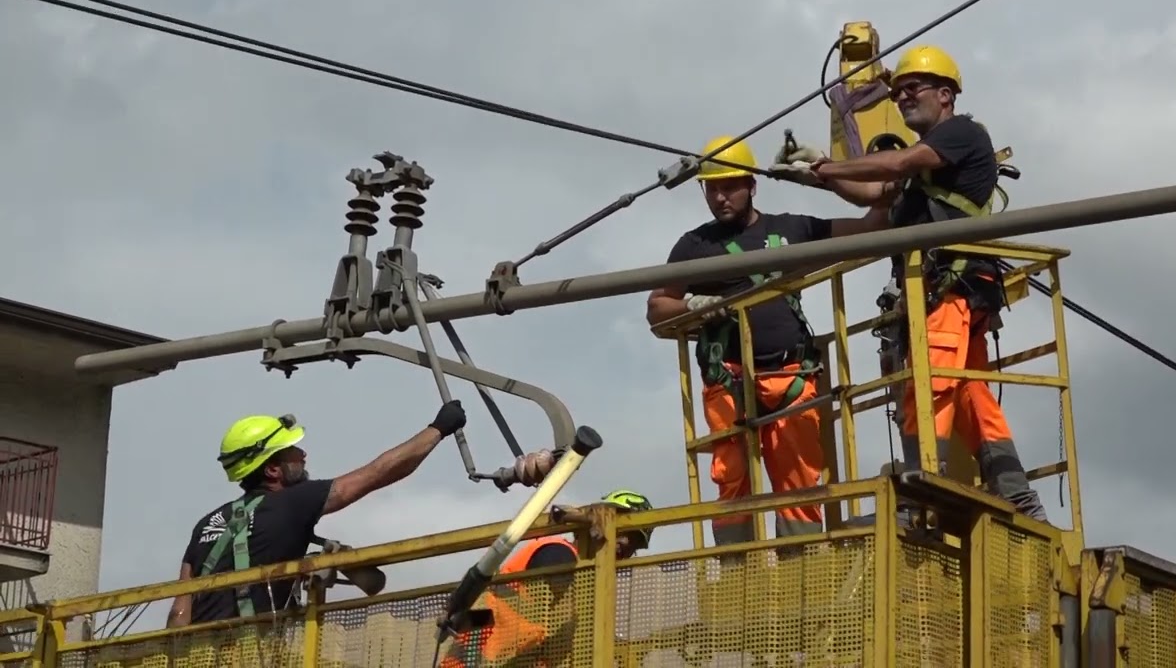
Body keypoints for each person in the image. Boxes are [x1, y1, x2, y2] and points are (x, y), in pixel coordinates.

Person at [771, 44, 1048, 521]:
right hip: (951, 291)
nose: (902, 97)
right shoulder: (926, 168)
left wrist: (824, 167)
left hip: (948, 290)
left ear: (946, 94)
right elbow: (875, 197)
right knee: (970, 395)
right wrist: (814, 177)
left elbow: (894, 166)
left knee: (929, 387)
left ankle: (924, 490)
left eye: (911, 88)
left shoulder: (961, 133)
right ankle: (1017, 494)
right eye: (897, 91)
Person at [646, 136, 894, 546]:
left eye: (730, 187)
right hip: (729, 377)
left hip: (790, 374)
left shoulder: (790, 229)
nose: (721, 198)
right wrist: (691, 303)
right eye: (713, 189)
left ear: (752, 185)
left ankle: (805, 578)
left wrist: (876, 179)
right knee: (731, 481)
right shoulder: (695, 246)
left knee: (799, 482)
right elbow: (657, 310)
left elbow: (872, 227)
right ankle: (738, 583)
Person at [166, 400, 470, 627]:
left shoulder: (207, 523)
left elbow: (179, 611)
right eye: (293, 452)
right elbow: (377, 473)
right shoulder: (294, 502)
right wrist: (439, 429)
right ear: (273, 469)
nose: (303, 455)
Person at [442, 490, 655, 667]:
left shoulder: (589, 582)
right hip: (475, 659)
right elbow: (559, 608)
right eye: (624, 531)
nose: (626, 544)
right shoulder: (559, 554)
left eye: (635, 544)